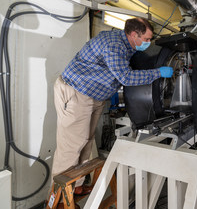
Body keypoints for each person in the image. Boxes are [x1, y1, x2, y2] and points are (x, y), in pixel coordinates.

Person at [49, 17, 173, 203]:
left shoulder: (128, 46)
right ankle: (57, 200)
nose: (148, 43)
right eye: (146, 39)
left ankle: (76, 186)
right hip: (76, 92)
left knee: (86, 141)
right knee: (71, 147)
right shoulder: (114, 44)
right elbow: (126, 77)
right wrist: (158, 73)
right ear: (133, 34)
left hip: (93, 96)